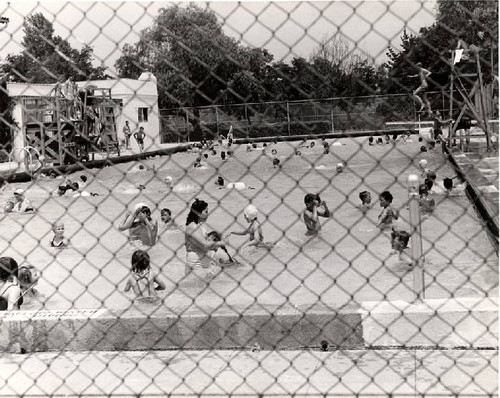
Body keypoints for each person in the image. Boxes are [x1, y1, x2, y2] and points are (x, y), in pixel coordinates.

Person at [184, 199, 226, 276]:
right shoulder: (193, 226)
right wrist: (222, 242)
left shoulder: (198, 226)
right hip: (196, 263)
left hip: (201, 263)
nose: (208, 214)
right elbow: (205, 245)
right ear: (198, 213)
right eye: (206, 211)